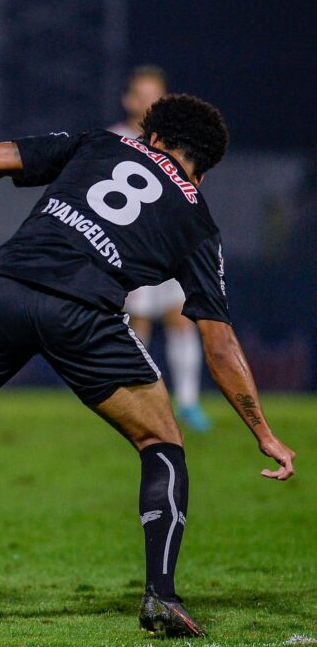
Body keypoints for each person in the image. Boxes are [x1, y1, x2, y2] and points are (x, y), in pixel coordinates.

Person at [0, 95, 296, 637]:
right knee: (161, 443)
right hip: (83, 315)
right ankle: (161, 596)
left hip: (5, 293)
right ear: (205, 163)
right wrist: (262, 432)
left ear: (155, 135)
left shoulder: (101, 143)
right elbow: (219, 343)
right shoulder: (197, 221)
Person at [109, 66, 211, 432]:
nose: (149, 100)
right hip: (130, 249)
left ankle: (188, 403)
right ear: (129, 99)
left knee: (180, 317)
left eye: (156, 93)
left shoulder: (176, 142)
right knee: (137, 323)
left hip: (168, 246)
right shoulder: (114, 139)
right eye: (142, 93)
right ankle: (140, 401)